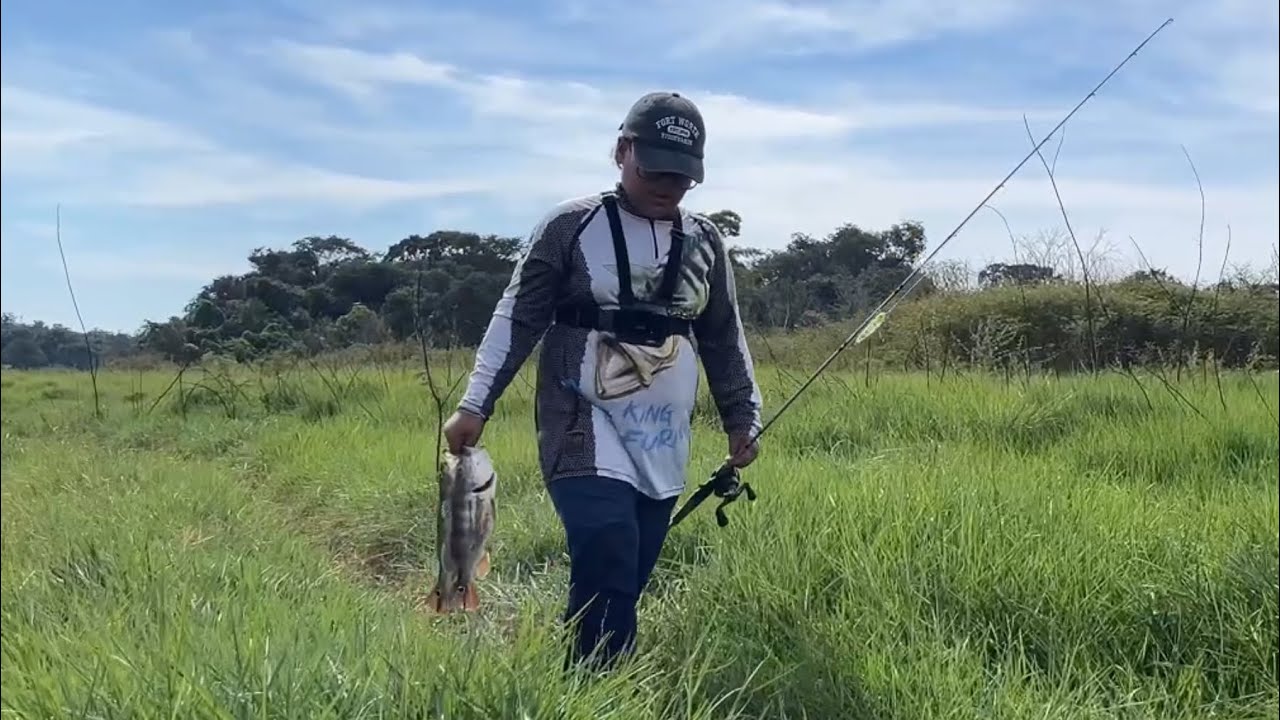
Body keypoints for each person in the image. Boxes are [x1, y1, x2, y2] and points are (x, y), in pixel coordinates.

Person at [442, 90, 763, 671]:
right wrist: (475, 404)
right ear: (622, 151)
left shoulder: (705, 240)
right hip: (579, 417)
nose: (667, 186)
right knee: (608, 542)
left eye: (682, 176)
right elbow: (518, 316)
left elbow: (722, 335)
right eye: (654, 170)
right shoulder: (570, 226)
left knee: (625, 570)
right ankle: (600, 685)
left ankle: (578, 674)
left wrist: (742, 417)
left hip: (663, 435)